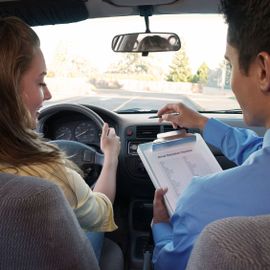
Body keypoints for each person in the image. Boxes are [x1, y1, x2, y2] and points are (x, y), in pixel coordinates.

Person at [151, 0, 270, 269]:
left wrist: (160, 227)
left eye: (230, 65)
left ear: (263, 70)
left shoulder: (201, 199)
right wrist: (201, 122)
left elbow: (169, 264)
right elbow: (260, 151)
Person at [0, 16, 121, 260]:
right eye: (41, 82)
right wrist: (110, 158)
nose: (48, 93)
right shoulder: (49, 174)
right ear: (10, 87)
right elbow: (100, 213)